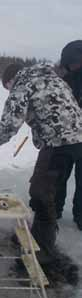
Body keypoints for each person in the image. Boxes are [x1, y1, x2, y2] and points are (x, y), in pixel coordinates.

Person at [0, 62, 82, 270]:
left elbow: (10, 124)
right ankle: (38, 237)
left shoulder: (23, 84)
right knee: (46, 190)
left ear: (11, 80)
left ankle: (44, 253)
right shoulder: (51, 77)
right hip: (76, 141)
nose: (9, 92)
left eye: (7, 88)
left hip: (58, 143)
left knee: (41, 194)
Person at [54, 40, 82, 231]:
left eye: (75, 63)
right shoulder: (64, 77)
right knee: (60, 174)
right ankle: (54, 209)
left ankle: (80, 215)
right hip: (66, 135)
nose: (72, 67)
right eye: (69, 64)